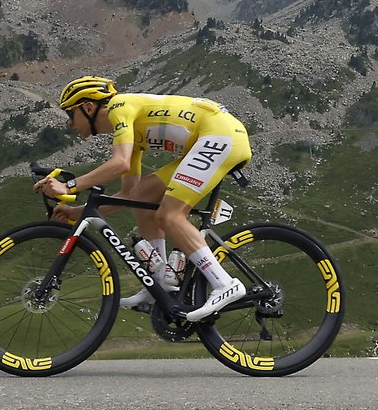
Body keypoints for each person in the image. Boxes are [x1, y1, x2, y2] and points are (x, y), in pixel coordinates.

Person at [33, 76, 252, 322]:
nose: (69, 123)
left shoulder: (119, 107)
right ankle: (158, 284)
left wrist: (68, 185)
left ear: (88, 107)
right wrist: (77, 211)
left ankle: (224, 283)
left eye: (70, 114)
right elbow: (128, 195)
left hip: (220, 136)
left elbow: (120, 163)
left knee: (170, 215)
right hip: (213, 136)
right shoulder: (130, 131)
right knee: (143, 194)